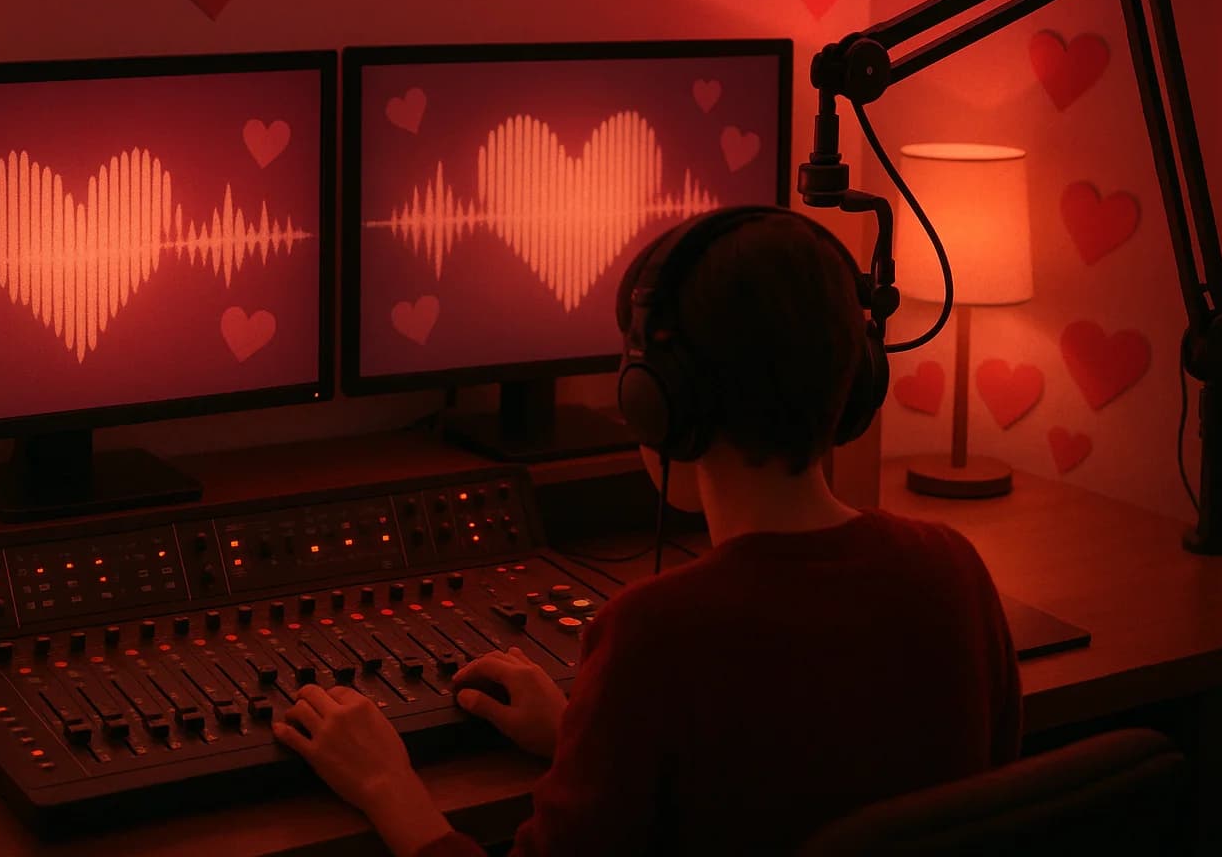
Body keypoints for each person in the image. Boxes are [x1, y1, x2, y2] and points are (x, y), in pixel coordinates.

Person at [274, 211, 1022, 855]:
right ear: (853, 380)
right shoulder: (951, 568)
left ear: (659, 402)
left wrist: (389, 787)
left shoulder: (656, 635)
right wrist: (581, 734)